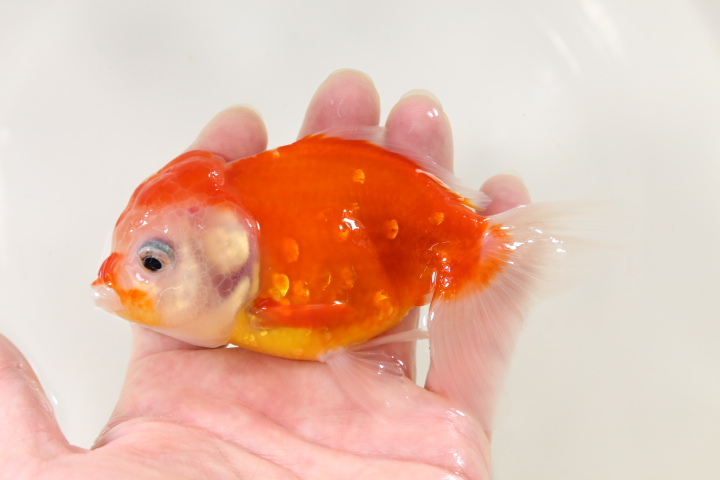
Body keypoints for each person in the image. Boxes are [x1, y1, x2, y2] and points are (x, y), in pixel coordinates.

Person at [0, 70, 530, 480]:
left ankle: (491, 252)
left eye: (153, 263)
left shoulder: (260, 308)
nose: (124, 283)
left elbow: (328, 328)